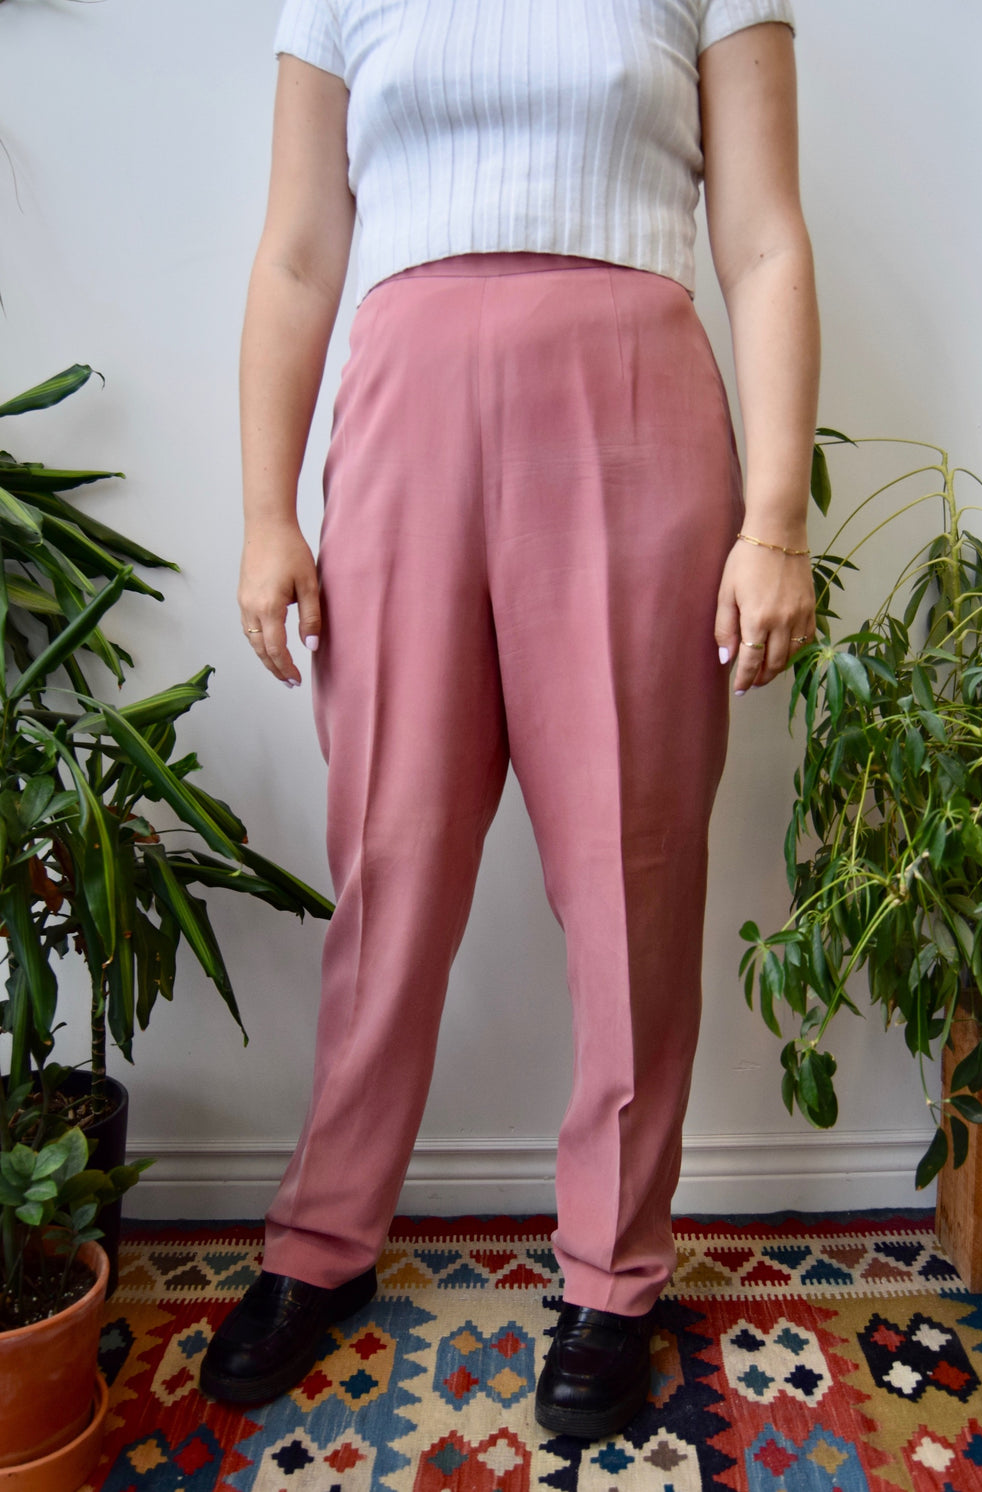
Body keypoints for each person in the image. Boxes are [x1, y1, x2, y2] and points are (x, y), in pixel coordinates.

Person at [200, 0, 819, 1442]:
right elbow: (298, 252)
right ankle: (323, 1239)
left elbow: (764, 238)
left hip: (632, 413)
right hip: (404, 415)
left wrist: (777, 518)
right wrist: (265, 512)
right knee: (391, 858)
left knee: (630, 872)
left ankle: (614, 1272)